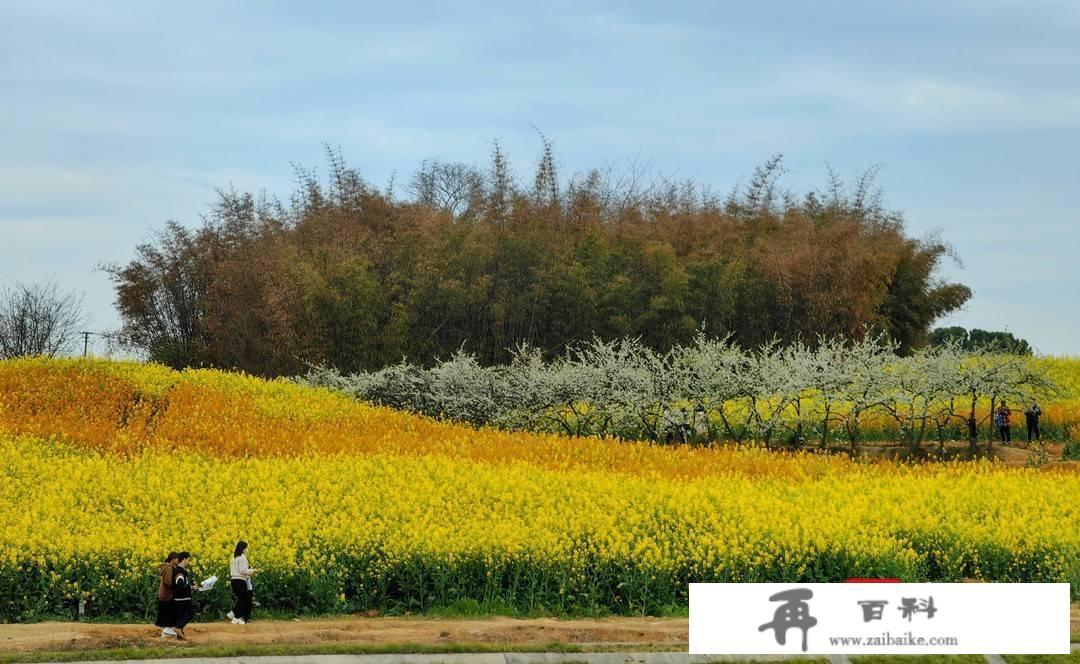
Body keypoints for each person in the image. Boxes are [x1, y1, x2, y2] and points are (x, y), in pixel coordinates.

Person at [171, 552, 201, 640]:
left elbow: (182, 583)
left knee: (181, 616)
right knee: (190, 613)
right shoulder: (180, 570)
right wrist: (189, 588)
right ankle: (178, 628)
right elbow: (179, 582)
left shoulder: (180, 569)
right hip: (183, 598)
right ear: (184, 559)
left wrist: (192, 587)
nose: (189, 562)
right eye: (188, 560)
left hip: (179, 598)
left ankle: (180, 637)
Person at [228, 540, 258, 624]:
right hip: (240, 581)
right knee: (244, 599)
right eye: (246, 548)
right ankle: (236, 617)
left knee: (242, 599)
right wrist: (253, 570)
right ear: (243, 549)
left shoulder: (233, 558)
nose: (247, 550)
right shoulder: (242, 558)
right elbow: (243, 571)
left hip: (234, 580)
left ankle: (234, 614)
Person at [154, 552, 178, 638]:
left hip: (163, 594)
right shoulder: (169, 569)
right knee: (169, 611)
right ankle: (167, 631)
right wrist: (176, 586)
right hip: (167, 594)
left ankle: (166, 631)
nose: (178, 560)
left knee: (165, 611)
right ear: (173, 559)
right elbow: (168, 582)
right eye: (177, 558)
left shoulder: (166, 567)